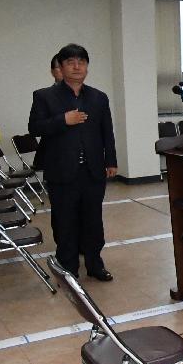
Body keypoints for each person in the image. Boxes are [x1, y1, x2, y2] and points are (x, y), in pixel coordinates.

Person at [28, 44, 117, 281]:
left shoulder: (98, 97)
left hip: (93, 171)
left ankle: (95, 265)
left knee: (93, 221)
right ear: (62, 67)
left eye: (82, 61)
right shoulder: (44, 96)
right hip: (61, 171)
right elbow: (34, 128)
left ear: (87, 66)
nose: (77, 66)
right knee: (65, 222)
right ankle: (68, 269)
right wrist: (63, 120)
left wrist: (111, 160)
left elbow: (107, 131)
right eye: (71, 62)